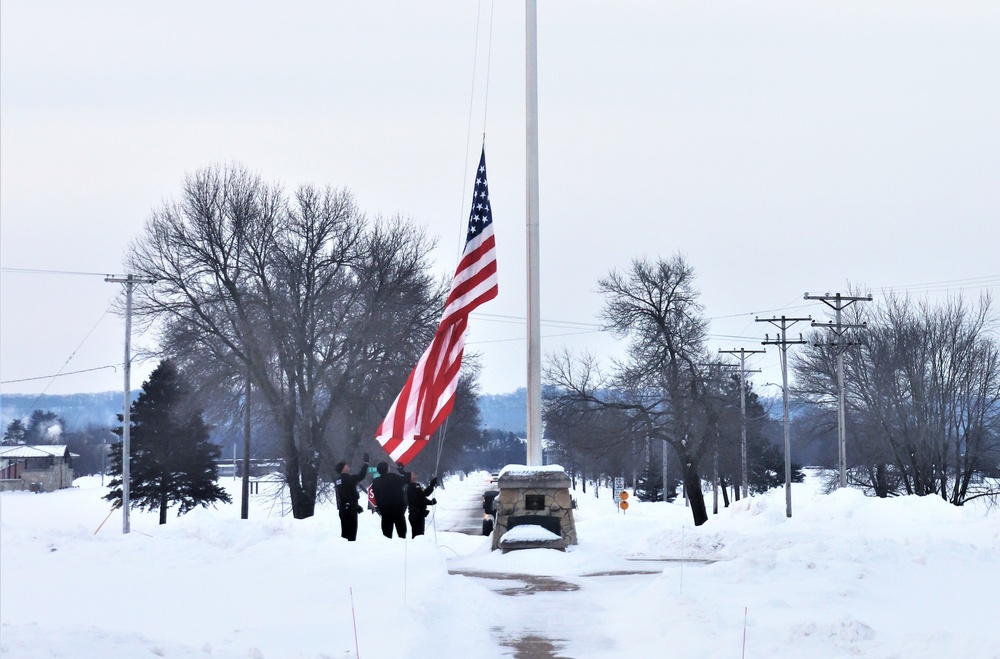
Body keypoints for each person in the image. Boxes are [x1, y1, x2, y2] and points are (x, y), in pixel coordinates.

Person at [333, 454, 369, 541]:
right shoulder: (347, 479)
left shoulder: (338, 480)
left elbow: (344, 494)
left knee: (345, 534)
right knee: (351, 535)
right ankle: (350, 551)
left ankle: (345, 550)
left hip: (343, 509)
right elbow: (361, 476)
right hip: (350, 510)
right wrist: (366, 463)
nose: (348, 465)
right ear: (342, 469)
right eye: (346, 465)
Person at [371, 461, 408, 539]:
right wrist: (402, 471)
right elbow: (407, 479)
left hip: (385, 511)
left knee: (386, 536)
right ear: (387, 469)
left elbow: (376, 495)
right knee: (402, 535)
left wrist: (379, 508)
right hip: (398, 510)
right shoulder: (394, 478)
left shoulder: (376, 481)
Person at [406, 473, 438, 538]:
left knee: (419, 534)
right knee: (418, 536)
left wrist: (430, 502)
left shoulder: (416, 486)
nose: (415, 475)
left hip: (418, 513)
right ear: (410, 478)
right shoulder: (413, 487)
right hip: (416, 514)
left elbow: (421, 497)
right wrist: (432, 484)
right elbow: (425, 493)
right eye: (412, 474)